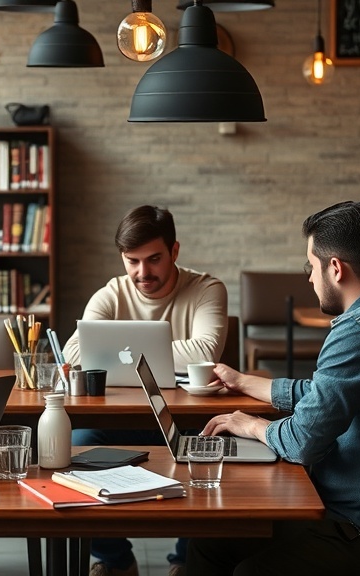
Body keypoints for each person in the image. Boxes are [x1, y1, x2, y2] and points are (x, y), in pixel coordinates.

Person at [186, 201, 360, 576]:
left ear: (336, 268)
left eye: (311, 267)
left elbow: (303, 441)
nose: (310, 279)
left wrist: (252, 425)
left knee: (249, 569)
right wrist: (244, 382)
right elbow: (325, 396)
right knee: (212, 540)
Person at [61, 205, 228, 576]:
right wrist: (162, 353)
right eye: (131, 261)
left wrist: (118, 351)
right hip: (120, 421)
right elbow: (74, 351)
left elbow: (206, 351)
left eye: (153, 259)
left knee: (210, 449)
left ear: (174, 251)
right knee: (76, 446)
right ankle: (116, 561)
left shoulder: (206, 289)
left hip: (186, 420)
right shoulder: (112, 292)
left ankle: (186, 561)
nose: (142, 272)